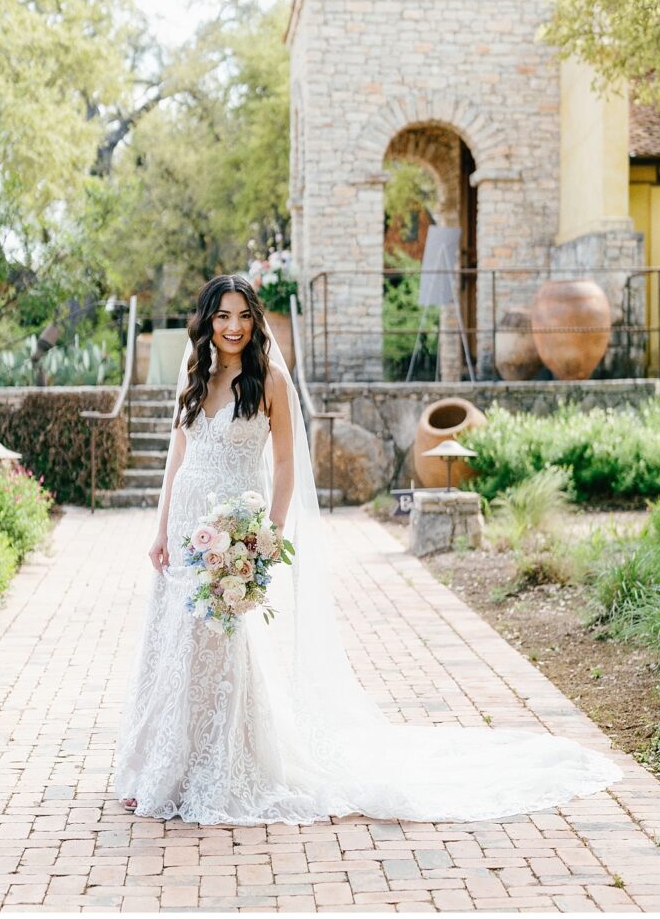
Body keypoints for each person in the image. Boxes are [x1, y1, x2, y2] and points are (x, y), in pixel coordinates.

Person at [114, 273, 624, 824]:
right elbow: (176, 455)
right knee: (174, 640)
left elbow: (285, 463)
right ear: (207, 320)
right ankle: (164, 765)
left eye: (242, 316)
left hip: (235, 530)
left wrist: (270, 533)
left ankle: (221, 769)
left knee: (221, 645)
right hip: (188, 526)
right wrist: (162, 528)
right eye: (222, 316)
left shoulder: (269, 383)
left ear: (254, 320)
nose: (233, 327)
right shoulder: (194, 376)